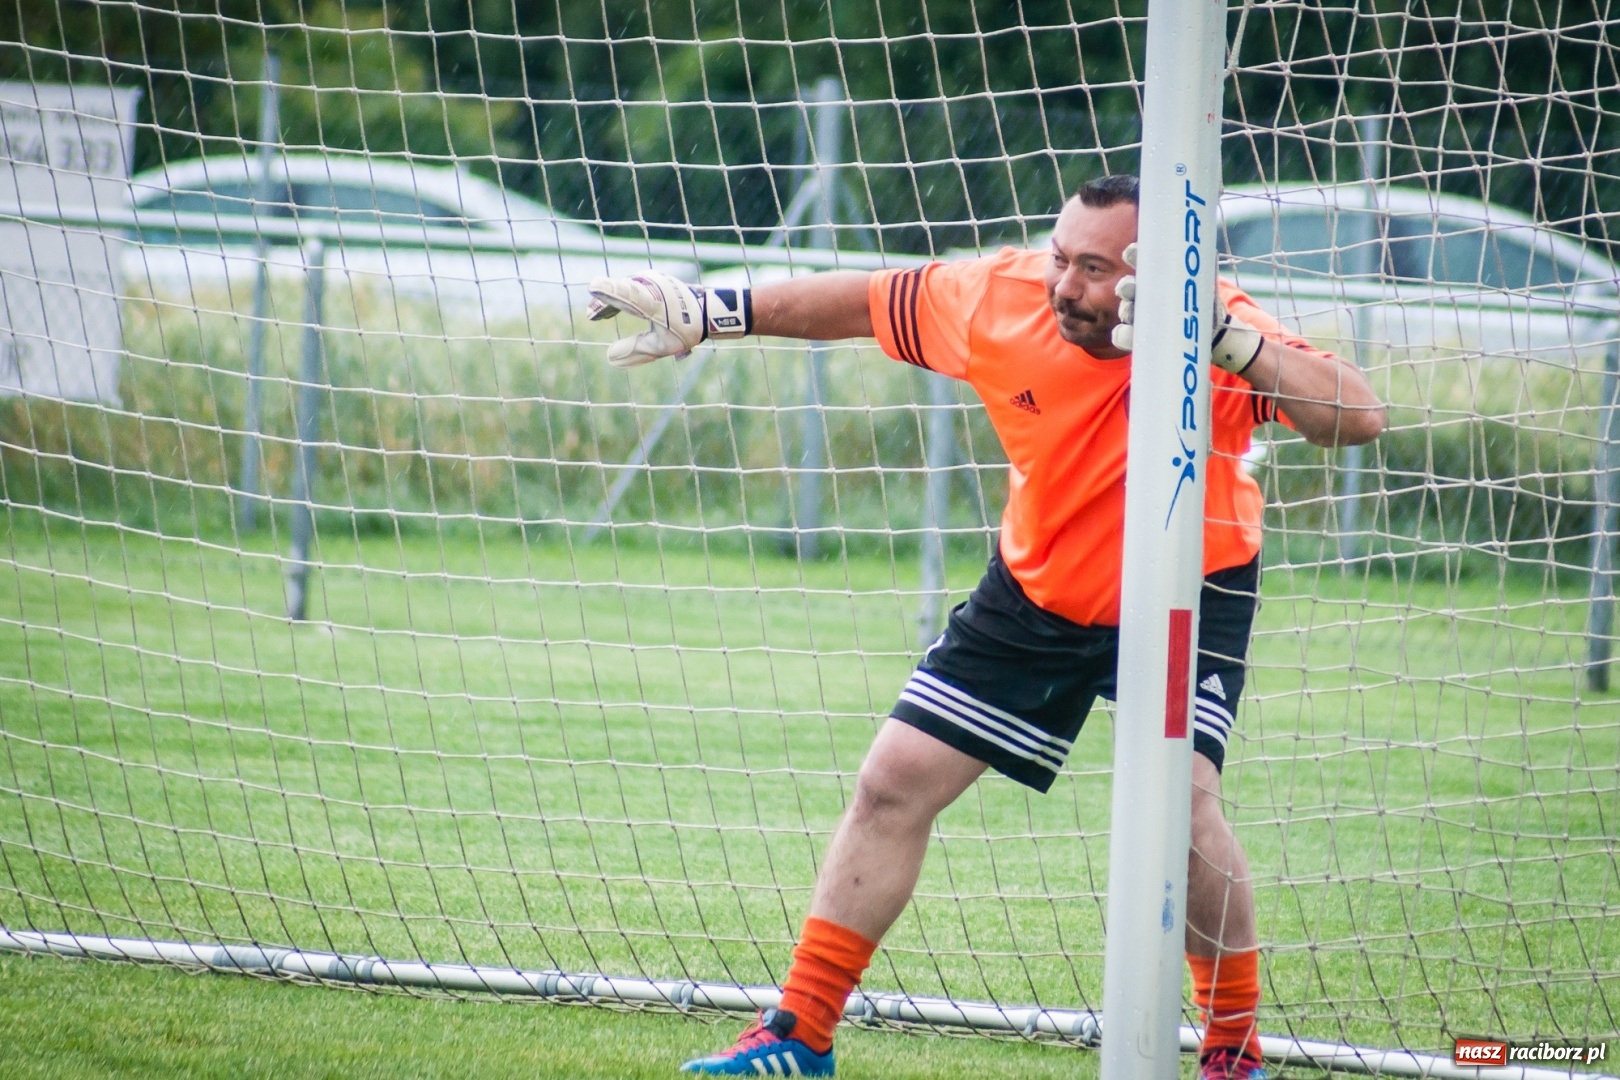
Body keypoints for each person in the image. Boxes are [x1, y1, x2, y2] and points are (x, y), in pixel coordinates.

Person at [585, 174, 1385, 1080]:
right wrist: (709, 308)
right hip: (1039, 590)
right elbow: (862, 300)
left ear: (1148, 277)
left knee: (1181, 815)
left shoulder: (1214, 326)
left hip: (1184, 593)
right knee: (892, 781)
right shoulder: (999, 298)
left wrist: (1228, 343)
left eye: (1092, 268)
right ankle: (799, 1036)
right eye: (1060, 258)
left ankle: (1233, 1057)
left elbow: (1357, 413)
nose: (1064, 285)